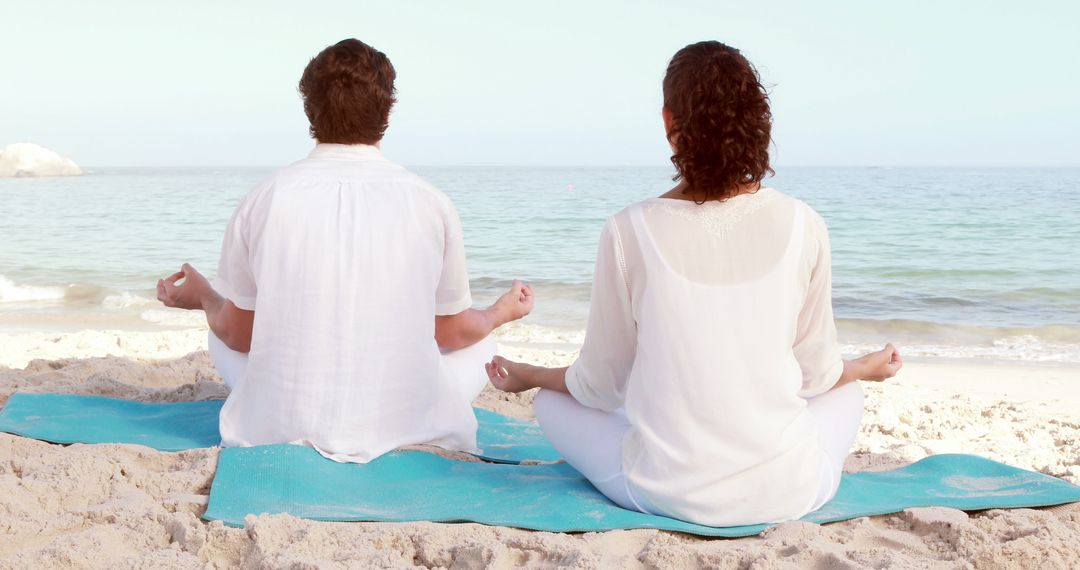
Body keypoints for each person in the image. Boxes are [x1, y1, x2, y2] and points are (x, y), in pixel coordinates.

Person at [485, 41, 902, 527]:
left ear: (669, 122)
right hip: (786, 493)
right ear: (758, 119)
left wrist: (531, 375)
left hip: (664, 493)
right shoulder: (804, 223)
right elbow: (814, 378)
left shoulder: (628, 230)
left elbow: (600, 388)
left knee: (551, 405)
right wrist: (862, 368)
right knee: (847, 393)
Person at [156, 38, 533, 463]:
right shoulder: (430, 202)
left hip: (285, 423)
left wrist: (204, 297)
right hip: (404, 422)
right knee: (479, 343)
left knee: (220, 328)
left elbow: (238, 335)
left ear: (309, 110)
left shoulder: (265, 197)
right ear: (387, 111)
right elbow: (451, 333)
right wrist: (503, 311)